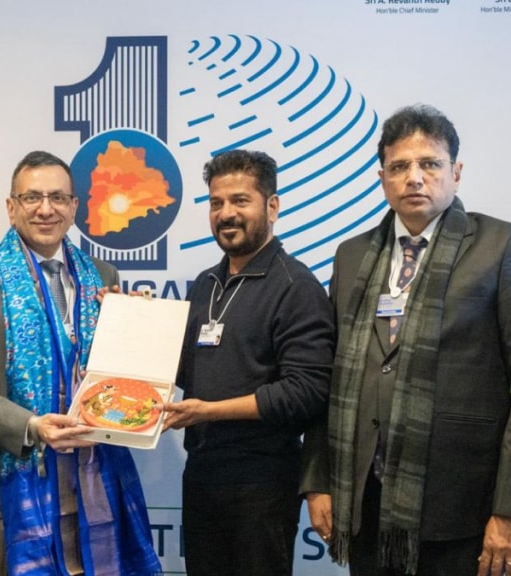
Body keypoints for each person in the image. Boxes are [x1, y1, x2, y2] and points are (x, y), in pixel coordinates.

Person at [300, 104, 511, 576]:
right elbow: (329, 376)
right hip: (363, 501)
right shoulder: (352, 255)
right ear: (383, 178)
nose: (414, 178)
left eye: (430, 164)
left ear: (455, 173)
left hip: (463, 508)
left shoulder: (504, 247)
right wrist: (319, 479)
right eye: (399, 166)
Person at [0, 150, 162, 576]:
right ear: (11, 207)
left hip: (94, 495)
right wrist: (33, 427)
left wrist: (132, 326)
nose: (46, 209)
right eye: (32, 197)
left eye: (58, 198)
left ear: (74, 207)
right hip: (10, 499)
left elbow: (115, 384)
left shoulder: (102, 276)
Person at [159, 150, 335, 575]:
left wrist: (209, 412)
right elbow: (183, 370)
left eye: (240, 200)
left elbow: (305, 392)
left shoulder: (296, 287)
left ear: (272, 207)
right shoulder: (206, 284)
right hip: (201, 474)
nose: (226, 214)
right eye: (216, 203)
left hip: (262, 483)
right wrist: (131, 320)